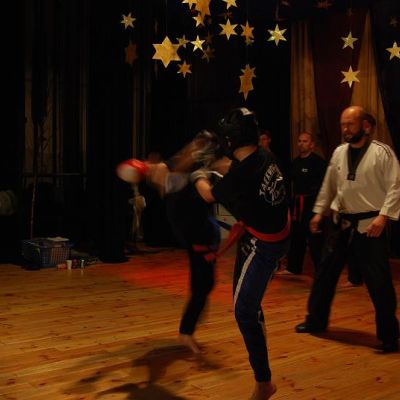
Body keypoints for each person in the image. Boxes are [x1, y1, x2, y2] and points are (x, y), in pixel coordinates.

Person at [192, 108, 290, 400]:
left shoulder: (242, 175)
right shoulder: (264, 155)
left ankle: (264, 383)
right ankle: (263, 371)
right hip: (270, 233)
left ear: (231, 139)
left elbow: (208, 194)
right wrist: (215, 165)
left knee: (245, 310)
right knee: (247, 304)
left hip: (264, 245)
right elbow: (232, 166)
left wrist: (198, 173)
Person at [295, 106, 400, 353]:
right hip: (340, 223)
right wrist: (319, 212)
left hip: (370, 225)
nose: (345, 129)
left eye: (350, 124)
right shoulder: (339, 152)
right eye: (343, 124)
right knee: (324, 274)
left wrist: (383, 217)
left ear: (365, 126)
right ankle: (316, 320)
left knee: (379, 281)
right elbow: (329, 185)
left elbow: (395, 186)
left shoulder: (382, 153)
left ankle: (389, 335)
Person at [144, 131, 223, 354]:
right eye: (199, 143)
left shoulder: (199, 165)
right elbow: (204, 192)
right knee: (202, 284)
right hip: (195, 233)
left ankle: (189, 325)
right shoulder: (186, 168)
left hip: (197, 229)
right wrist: (150, 169)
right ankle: (186, 332)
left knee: (205, 283)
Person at [283, 132, 327, 275]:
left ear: (312, 144)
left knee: (315, 240)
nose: (301, 144)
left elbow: (325, 185)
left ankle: (321, 271)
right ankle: (293, 268)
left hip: (312, 204)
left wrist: (320, 208)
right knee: (296, 236)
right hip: (297, 204)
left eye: (305, 141)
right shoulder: (295, 162)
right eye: (299, 141)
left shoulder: (318, 162)